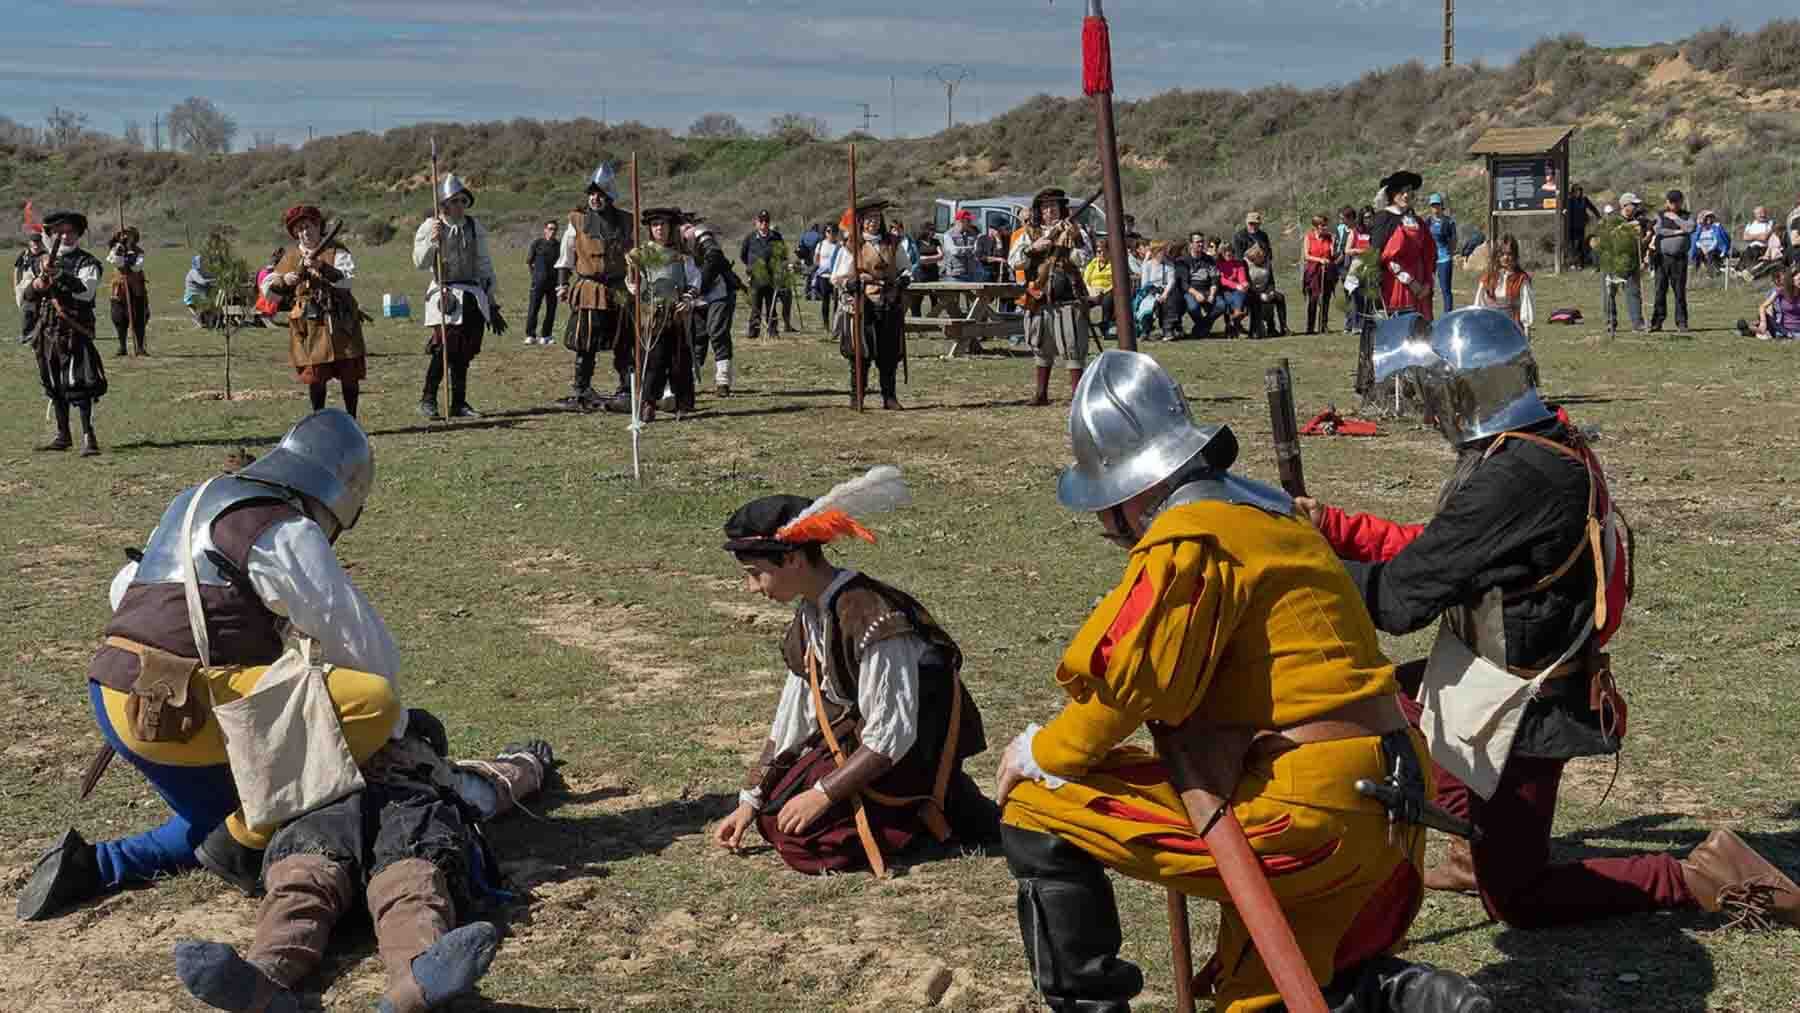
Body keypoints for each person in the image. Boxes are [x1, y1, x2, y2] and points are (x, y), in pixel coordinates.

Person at [996, 349, 1490, 1013]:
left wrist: (1040, 753)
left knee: (1034, 804)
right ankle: (1408, 999)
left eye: (1105, 503)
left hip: (1314, 812)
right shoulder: (1271, 516)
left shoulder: (1188, 535)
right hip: (1394, 802)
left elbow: (1125, 682)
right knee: (1257, 999)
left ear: (1131, 490)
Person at [1298, 308, 1800, 933]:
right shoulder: (1533, 441)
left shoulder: (1521, 474)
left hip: (1528, 702)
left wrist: (1301, 560)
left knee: (1519, 900)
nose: (1430, 413)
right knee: (1392, 704)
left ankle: (1701, 876)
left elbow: (1401, 601)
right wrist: (1332, 530)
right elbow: (1444, 550)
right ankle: (1470, 845)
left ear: (1471, 390)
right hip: (1486, 676)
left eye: (1437, 396)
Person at [15, 411, 406, 923]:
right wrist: (395, 737)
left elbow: (124, 589)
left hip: (114, 693)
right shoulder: (287, 530)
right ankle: (245, 844)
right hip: (177, 711)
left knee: (217, 817)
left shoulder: (193, 501)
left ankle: (98, 864)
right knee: (373, 702)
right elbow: (358, 643)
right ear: (336, 496)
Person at [711, 476, 995, 874]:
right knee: (772, 814)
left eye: (756, 573)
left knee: (799, 840)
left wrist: (823, 794)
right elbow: (794, 713)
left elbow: (892, 735)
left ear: (792, 559)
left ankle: (929, 815)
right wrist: (750, 798)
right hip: (865, 738)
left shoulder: (871, 615)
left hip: (914, 754)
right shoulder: (811, 611)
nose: (751, 588)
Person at [173, 724, 553, 1013]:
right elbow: (492, 786)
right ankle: (261, 979)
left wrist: (530, 761)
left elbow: (493, 783)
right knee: (306, 881)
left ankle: (416, 982)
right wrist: (526, 763)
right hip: (336, 832)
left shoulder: (429, 769)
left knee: (405, 887)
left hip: (395, 831)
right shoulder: (313, 757)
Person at [262, 205, 369, 417]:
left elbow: (347, 281)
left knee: (349, 373)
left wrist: (321, 266)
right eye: (300, 229)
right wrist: (284, 279)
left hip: (341, 320)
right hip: (309, 324)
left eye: (309, 226)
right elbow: (268, 290)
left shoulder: (336, 250)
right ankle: (318, 420)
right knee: (316, 376)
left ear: (318, 226)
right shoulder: (291, 257)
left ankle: (352, 419)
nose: (305, 232)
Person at [20, 210, 108, 455]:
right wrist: (38, 283)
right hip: (46, 331)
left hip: (74, 331)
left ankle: (89, 438)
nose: (65, 236)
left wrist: (59, 274)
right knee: (53, 383)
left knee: (80, 383)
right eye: (59, 232)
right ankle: (63, 435)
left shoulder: (87, 262)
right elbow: (26, 295)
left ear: (78, 234)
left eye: (70, 232)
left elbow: (85, 292)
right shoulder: (40, 260)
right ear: (50, 235)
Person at [413, 174, 500, 419]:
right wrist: (433, 242)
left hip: (472, 293)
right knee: (444, 349)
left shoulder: (474, 226)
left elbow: (484, 263)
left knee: (464, 352)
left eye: (463, 201)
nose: (460, 205)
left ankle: (459, 403)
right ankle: (428, 399)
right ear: (444, 204)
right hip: (445, 293)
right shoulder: (431, 226)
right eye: (454, 201)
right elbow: (419, 262)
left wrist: (491, 298)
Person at [555, 166, 635, 409]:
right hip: (590, 288)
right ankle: (582, 390)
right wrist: (562, 285)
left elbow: (634, 253)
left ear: (609, 196)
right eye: (591, 193)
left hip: (619, 289)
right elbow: (566, 256)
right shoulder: (577, 221)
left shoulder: (625, 220)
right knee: (585, 342)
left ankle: (626, 390)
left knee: (624, 341)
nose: (595, 197)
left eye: (600, 193)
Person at [1009, 189, 1091, 405]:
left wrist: (1074, 239)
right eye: (1045, 207)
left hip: (1068, 297)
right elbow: (1014, 262)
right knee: (1040, 344)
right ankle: (1041, 393)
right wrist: (1032, 249)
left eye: (1054, 206)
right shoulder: (1029, 233)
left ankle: (1077, 395)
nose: (1050, 210)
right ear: (1039, 211)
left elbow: (1083, 259)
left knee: (1073, 346)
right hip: (1039, 296)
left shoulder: (1075, 231)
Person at [622, 207, 701, 421]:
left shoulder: (681, 256)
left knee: (679, 361)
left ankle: (683, 404)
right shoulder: (641, 254)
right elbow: (632, 282)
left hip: (676, 314)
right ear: (650, 229)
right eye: (655, 225)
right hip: (652, 316)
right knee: (653, 360)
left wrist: (688, 300)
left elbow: (694, 280)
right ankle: (648, 402)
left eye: (663, 225)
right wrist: (632, 281)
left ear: (670, 228)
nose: (659, 229)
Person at [831, 199, 906, 411]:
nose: (873, 222)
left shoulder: (892, 242)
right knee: (861, 353)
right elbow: (837, 276)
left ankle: (889, 397)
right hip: (864, 305)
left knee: (889, 353)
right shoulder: (853, 245)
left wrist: (904, 279)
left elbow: (904, 267)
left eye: (876, 218)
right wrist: (850, 282)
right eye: (868, 218)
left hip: (889, 302)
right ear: (861, 222)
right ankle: (858, 396)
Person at [1369, 170, 1437, 320]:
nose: (1406, 195)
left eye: (1409, 191)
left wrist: (1427, 283)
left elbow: (1429, 252)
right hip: (1396, 285)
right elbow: (1382, 255)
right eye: (1402, 191)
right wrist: (1410, 281)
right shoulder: (1383, 218)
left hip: (1420, 285)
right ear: (1393, 194)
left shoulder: (1416, 221)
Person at [685, 217, 740, 397]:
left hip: (717, 290)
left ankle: (723, 380)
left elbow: (714, 258)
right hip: (694, 294)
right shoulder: (670, 238)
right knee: (697, 337)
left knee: (717, 332)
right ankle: (690, 380)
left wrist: (699, 286)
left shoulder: (701, 235)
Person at [1593, 193, 1648, 334]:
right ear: (1625, 205)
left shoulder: (1639, 221)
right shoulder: (1612, 220)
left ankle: (1638, 323)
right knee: (1609, 294)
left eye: (1636, 205)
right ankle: (1610, 322)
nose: (1636, 207)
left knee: (1634, 293)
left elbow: (1640, 244)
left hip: (1630, 262)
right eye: (1633, 205)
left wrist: (1643, 238)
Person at [1471, 236, 1535, 340]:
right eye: (1502, 254)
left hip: (1512, 326)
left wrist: (1527, 328)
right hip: (1490, 325)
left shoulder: (1521, 278)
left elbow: (1526, 303)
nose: (1505, 257)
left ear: (1515, 255)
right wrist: (1477, 322)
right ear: (1497, 255)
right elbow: (1479, 302)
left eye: (1509, 254)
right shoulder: (1488, 277)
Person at [1648, 189, 1693, 333]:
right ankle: (1657, 322)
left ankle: (1681, 322)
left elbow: (1690, 227)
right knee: (1660, 290)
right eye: (1671, 202)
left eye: (1677, 202)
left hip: (1679, 259)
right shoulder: (1660, 215)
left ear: (1681, 201)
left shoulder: (1686, 215)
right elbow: (1659, 230)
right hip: (1662, 258)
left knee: (1679, 291)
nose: (1674, 205)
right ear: (1667, 202)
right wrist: (1677, 232)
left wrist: (1675, 218)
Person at [107, 225, 150, 356]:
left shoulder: (139, 252)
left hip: (136, 289)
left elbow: (137, 267)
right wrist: (120, 252)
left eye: (129, 235)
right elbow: (115, 262)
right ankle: (122, 347)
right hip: (119, 290)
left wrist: (129, 258)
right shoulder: (116, 250)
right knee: (119, 318)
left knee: (139, 318)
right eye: (124, 235)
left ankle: (140, 347)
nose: (126, 237)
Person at [740, 210, 784, 337]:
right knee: (755, 307)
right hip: (755, 278)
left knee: (772, 306)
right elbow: (743, 255)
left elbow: (782, 254)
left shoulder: (776, 237)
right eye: (762, 221)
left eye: (766, 222)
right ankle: (753, 332)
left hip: (771, 277)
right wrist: (751, 267)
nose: (764, 224)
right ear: (757, 223)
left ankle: (773, 331)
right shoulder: (750, 238)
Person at [1736, 265, 1800, 340]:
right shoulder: (1780, 291)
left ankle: (1754, 331)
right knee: (1766, 317)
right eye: (1799, 279)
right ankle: (1763, 331)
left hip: (1796, 330)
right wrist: (1763, 322)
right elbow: (1763, 307)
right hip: (1782, 328)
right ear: (1791, 280)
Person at [524, 219, 560, 345]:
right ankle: (530, 335)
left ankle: (546, 335)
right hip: (538, 282)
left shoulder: (559, 246)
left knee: (551, 309)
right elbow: (529, 261)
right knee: (533, 308)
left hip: (553, 283)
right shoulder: (537, 243)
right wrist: (534, 276)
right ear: (545, 230)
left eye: (555, 229)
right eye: (550, 228)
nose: (552, 231)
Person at [1179, 232, 1221, 337]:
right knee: (1193, 307)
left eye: (1202, 242)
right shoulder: (1183, 261)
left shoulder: (1209, 260)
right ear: (1191, 244)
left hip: (1207, 289)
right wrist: (1196, 294)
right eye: (1198, 242)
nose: (1201, 244)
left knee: (1221, 305)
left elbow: (1214, 279)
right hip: (1191, 290)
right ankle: (1203, 327)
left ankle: (1201, 326)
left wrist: (1212, 294)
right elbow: (1184, 283)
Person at [1243, 241, 1287, 337]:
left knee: (1280, 297)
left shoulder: (1267, 262)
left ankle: (1284, 327)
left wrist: (1270, 292)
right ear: (1255, 255)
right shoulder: (1245, 263)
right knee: (1255, 301)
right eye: (1261, 257)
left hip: (1266, 290)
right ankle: (1255, 329)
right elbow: (1247, 282)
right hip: (1251, 292)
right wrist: (1260, 295)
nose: (1263, 259)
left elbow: (1271, 281)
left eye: (1264, 256)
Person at [1302, 214, 1336, 334]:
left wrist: (1334, 243)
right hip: (1313, 271)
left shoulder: (1329, 237)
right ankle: (1310, 327)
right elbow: (1306, 256)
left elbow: (1332, 253)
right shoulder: (1309, 237)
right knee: (1314, 298)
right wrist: (1319, 260)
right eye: (1322, 225)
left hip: (1326, 270)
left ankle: (1323, 325)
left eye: (1326, 225)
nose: (1325, 227)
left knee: (1326, 298)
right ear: (1316, 226)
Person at [1426, 193, 1457, 310]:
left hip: (1444, 259)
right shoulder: (1427, 222)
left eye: (1437, 205)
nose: (1435, 208)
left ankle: (1448, 315)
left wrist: (1451, 251)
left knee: (1445, 290)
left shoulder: (1449, 222)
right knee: (1428, 289)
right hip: (1430, 260)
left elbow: (1454, 239)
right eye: (1433, 205)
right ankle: (1428, 316)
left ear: (1441, 206)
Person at [1214, 238, 1250, 338]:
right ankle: (1236, 320)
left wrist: (1244, 283)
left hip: (1238, 291)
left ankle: (1236, 317)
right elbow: (1222, 280)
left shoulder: (1238, 264)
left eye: (1230, 251)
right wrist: (1236, 285)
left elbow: (1242, 278)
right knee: (1232, 297)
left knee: (1241, 293)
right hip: (1224, 290)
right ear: (1221, 253)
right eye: (1225, 251)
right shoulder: (1218, 265)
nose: (1228, 253)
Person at [813, 224, 845, 333]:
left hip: (836, 277)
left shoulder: (840, 245)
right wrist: (821, 267)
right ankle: (826, 324)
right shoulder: (821, 244)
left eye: (833, 232)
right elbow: (816, 260)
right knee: (825, 301)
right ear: (825, 233)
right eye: (828, 231)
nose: (831, 234)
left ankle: (836, 325)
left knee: (837, 301)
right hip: (824, 277)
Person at [13, 233, 45, 343]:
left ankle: (35, 334)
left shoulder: (45, 255)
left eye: (38, 242)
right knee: (28, 311)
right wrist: (16, 286)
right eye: (34, 242)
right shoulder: (25, 254)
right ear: (30, 243)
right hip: (26, 286)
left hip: (41, 287)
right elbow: (17, 270)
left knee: (39, 311)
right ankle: (26, 334)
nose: (36, 245)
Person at [1737, 206, 1781, 278]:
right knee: (1747, 252)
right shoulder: (1750, 224)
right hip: (1751, 248)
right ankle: (1740, 272)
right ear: (1755, 215)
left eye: (1764, 213)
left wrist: (1752, 236)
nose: (1762, 215)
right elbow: (1745, 237)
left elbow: (1764, 237)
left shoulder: (1770, 223)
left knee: (1753, 252)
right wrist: (1759, 236)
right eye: (1759, 213)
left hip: (1764, 248)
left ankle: (1747, 273)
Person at [941, 209, 983, 283]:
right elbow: (955, 251)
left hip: (971, 274)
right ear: (961, 221)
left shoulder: (972, 234)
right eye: (968, 221)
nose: (971, 223)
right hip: (954, 276)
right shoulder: (948, 235)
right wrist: (971, 249)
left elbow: (977, 250)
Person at [1564, 184, 1600, 269]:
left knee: (1580, 244)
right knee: (1573, 245)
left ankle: (1580, 264)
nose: (1579, 193)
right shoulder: (1569, 200)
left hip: (1581, 226)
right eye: (1577, 191)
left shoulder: (1584, 199)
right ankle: (1573, 263)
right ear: (1573, 192)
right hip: (1571, 226)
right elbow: (1564, 210)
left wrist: (1598, 216)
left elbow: (1592, 208)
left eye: (1580, 191)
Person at [1231, 209, 1274, 278]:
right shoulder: (1239, 236)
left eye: (1256, 224)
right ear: (1246, 223)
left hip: (1263, 266)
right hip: (1247, 268)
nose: (1253, 226)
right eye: (1251, 223)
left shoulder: (1263, 235)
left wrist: (1263, 257)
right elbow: (1238, 257)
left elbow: (1269, 253)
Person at [253, 247, 286, 324]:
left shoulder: (262, 271)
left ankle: (262, 317)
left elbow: (256, 287)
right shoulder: (276, 273)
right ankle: (266, 316)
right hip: (269, 297)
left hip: (262, 295)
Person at [184, 254, 215, 328]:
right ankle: (201, 321)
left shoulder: (202, 271)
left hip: (201, 295)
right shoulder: (193, 272)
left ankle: (206, 320)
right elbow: (202, 281)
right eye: (201, 262)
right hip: (192, 295)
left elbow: (210, 275)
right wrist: (214, 280)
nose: (202, 263)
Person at [976, 219, 1008, 283]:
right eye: (998, 230)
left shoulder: (1004, 239)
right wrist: (997, 259)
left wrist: (998, 240)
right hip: (986, 271)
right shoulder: (982, 239)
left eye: (1000, 231)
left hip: (1000, 272)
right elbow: (980, 257)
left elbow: (1003, 254)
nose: (999, 233)